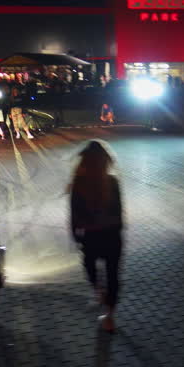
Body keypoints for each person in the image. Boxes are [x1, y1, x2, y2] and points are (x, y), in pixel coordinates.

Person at [69, 140, 123, 333]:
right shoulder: (113, 182)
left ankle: (99, 291)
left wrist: (76, 235)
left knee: (90, 268)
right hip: (112, 237)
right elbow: (119, 213)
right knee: (113, 276)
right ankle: (109, 317)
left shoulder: (78, 184)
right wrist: (117, 230)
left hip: (91, 237)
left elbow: (74, 214)